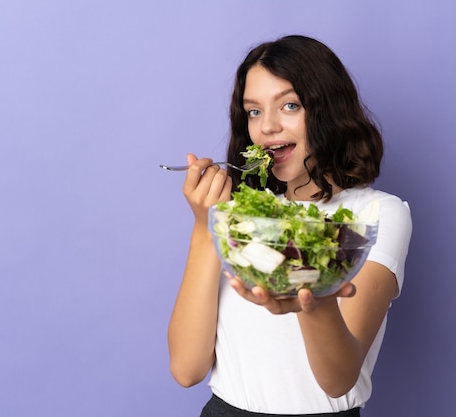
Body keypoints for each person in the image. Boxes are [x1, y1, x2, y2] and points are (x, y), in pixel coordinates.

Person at [167, 35, 412, 416]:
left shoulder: (378, 215)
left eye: (290, 105)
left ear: (328, 109)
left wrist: (312, 301)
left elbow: (338, 379)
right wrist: (206, 226)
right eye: (253, 111)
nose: (267, 127)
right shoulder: (240, 215)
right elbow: (186, 369)